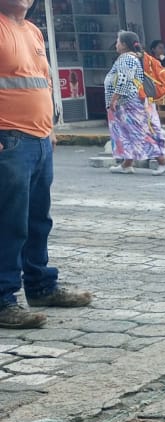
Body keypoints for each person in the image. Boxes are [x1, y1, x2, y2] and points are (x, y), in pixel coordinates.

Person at [0, 0, 93, 329]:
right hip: (9, 139)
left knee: (38, 221)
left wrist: (50, 128)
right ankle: (3, 300)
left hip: (39, 140)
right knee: (10, 224)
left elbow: (44, 80)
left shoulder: (33, 31)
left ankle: (40, 286)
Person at [105, 31, 165, 176]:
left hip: (130, 102)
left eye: (118, 41)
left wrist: (114, 99)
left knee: (139, 132)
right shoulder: (134, 57)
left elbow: (124, 81)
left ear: (124, 45)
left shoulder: (127, 59)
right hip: (131, 102)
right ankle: (127, 164)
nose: (116, 45)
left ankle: (163, 161)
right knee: (127, 131)